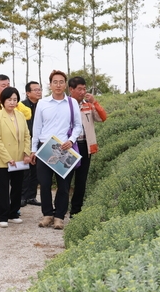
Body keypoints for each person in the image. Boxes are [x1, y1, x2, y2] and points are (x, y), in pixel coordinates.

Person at [31, 70, 82, 230]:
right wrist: (33, 149)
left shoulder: (72, 103)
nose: (58, 85)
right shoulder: (42, 103)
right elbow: (37, 127)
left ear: (65, 84)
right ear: (50, 84)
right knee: (44, 184)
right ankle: (47, 214)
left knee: (64, 185)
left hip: (63, 148)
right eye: (55, 82)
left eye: (61, 82)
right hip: (45, 148)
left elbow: (78, 125)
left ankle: (59, 216)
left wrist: (71, 140)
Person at [0, 75, 31, 218]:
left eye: (8, 84)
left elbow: (28, 115)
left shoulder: (18, 109)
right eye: (3, 85)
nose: (6, 87)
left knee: (15, 182)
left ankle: (12, 209)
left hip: (16, 150)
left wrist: (16, 102)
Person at [0, 87, 32, 228]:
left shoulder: (20, 115)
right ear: (3, 100)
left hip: (19, 158)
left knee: (17, 187)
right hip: (4, 159)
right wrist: (8, 158)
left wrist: (27, 152)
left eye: (15, 100)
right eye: (9, 99)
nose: (12, 102)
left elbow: (27, 135)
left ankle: (14, 213)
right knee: (3, 188)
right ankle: (3, 216)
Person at [68, 76, 107, 217]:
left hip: (85, 145)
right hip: (69, 145)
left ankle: (76, 210)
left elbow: (103, 117)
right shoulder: (65, 104)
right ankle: (60, 209)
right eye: (79, 89)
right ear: (71, 89)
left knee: (81, 180)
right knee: (66, 178)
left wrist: (95, 102)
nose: (83, 91)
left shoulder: (88, 105)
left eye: (84, 88)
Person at [20, 81, 42, 207]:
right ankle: (22, 196)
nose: (39, 92)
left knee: (36, 171)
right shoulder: (22, 106)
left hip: (39, 141)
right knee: (25, 170)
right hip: (26, 141)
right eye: (35, 90)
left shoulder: (42, 105)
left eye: (40, 89)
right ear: (28, 93)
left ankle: (31, 196)